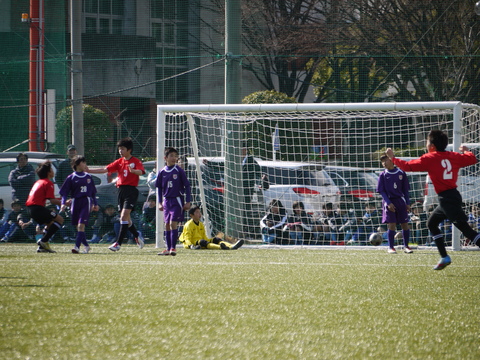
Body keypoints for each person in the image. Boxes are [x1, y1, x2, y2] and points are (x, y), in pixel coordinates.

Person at [386, 129, 480, 270]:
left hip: (448, 199)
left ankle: (444, 257)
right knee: (432, 223)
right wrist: (466, 151)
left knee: (467, 231)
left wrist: (393, 158)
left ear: (432, 146)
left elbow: (407, 166)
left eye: (427, 142)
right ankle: (444, 256)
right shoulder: (453, 156)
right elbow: (472, 159)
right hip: (449, 197)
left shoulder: (429, 158)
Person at [87, 138, 145, 252]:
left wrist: (134, 171)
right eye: (119, 149)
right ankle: (137, 235)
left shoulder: (136, 161)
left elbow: (141, 171)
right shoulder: (119, 161)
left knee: (123, 216)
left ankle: (118, 243)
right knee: (126, 219)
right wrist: (89, 170)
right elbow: (105, 169)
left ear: (129, 150)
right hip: (120, 191)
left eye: (122, 149)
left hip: (131, 191)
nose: (120, 151)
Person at [155, 147, 191, 256]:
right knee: (166, 224)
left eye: (175, 156)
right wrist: (160, 202)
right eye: (171, 156)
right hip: (166, 201)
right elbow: (159, 188)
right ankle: (168, 248)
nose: (174, 158)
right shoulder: (162, 172)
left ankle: (173, 248)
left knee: (172, 223)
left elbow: (187, 186)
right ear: (165, 158)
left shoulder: (179, 171)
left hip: (177, 200)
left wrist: (188, 201)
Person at [60, 155, 99, 254]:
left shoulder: (88, 177)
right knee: (78, 227)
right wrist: (63, 203)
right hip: (75, 202)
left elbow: (93, 192)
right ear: (77, 164)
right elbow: (64, 192)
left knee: (81, 225)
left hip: (86, 202)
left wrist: (95, 203)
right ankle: (86, 245)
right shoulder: (71, 177)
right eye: (83, 162)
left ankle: (76, 247)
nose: (85, 164)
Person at [25, 161, 64, 253]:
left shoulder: (38, 182)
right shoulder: (48, 183)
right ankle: (44, 241)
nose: (53, 171)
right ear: (48, 172)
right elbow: (52, 200)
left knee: (51, 224)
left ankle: (42, 247)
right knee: (60, 220)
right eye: (51, 169)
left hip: (30, 209)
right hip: (37, 208)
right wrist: (64, 203)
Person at [377, 154, 412, 254]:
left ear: (392, 160)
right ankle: (391, 247)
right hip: (389, 202)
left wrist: (408, 203)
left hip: (400, 201)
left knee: (405, 224)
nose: (384, 163)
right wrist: (388, 203)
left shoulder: (401, 173)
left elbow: (405, 190)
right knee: (391, 224)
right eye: (382, 161)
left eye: (385, 160)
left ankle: (406, 246)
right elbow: (381, 191)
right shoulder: (383, 175)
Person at [180, 206, 244, 250]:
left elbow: (204, 237)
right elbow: (187, 239)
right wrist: (191, 246)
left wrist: (210, 240)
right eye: (197, 212)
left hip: (201, 241)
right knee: (202, 241)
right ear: (191, 215)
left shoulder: (201, 224)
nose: (199, 214)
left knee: (216, 239)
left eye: (199, 212)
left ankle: (231, 246)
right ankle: (221, 247)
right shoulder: (188, 225)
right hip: (193, 243)